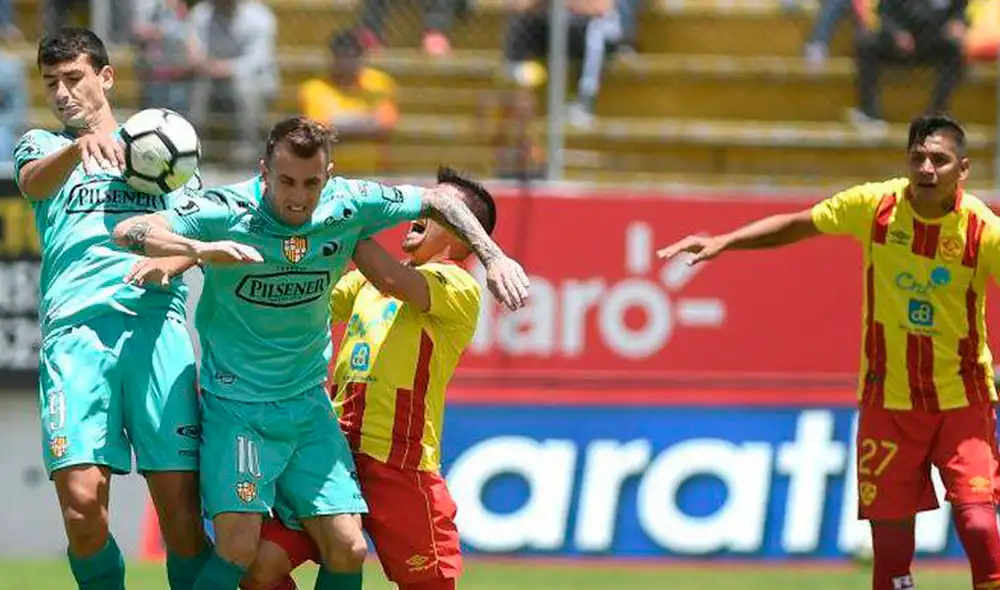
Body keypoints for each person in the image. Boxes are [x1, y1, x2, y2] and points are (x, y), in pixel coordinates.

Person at [111, 116, 529, 590]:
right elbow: (132, 230)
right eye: (286, 180)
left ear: (327, 177)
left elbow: (399, 249)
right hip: (272, 419)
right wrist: (195, 251)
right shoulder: (231, 209)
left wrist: (492, 257)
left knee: (388, 564)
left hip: (382, 452)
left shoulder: (445, 281)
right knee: (251, 558)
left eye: (311, 184)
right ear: (263, 171)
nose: (297, 195)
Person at [657, 112, 1000, 590]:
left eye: (938, 160)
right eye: (917, 157)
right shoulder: (875, 206)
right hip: (888, 402)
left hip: (962, 400)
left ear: (962, 170)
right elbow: (800, 224)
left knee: (980, 525)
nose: (926, 168)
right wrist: (725, 242)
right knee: (892, 556)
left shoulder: (984, 231)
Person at [12, 27, 209, 590]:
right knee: (81, 510)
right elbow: (30, 183)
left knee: (182, 522)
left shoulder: (160, 142)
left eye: (74, 78)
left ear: (105, 76)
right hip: (75, 339)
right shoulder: (44, 146)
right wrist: (77, 149)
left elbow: (195, 235)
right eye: (51, 82)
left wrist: (167, 265)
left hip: (156, 335)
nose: (63, 92)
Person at [239, 166, 495, 590]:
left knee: (430, 583)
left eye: (436, 206)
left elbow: (392, 278)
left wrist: (346, 214)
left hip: (400, 463)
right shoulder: (367, 282)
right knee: (260, 566)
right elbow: (309, 296)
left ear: (461, 234)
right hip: (334, 451)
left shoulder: (457, 286)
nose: (420, 207)